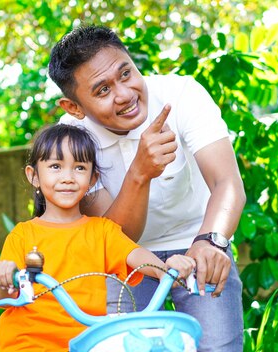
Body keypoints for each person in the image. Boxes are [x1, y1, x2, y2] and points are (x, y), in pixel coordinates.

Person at [48, 25, 246, 351]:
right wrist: (139, 173)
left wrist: (212, 241)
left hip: (199, 242)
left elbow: (228, 184)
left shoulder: (182, 94)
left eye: (126, 73)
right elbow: (112, 235)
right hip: (123, 259)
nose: (124, 94)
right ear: (74, 107)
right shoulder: (71, 136)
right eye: (102, 90)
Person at [0, 124, 195, 351]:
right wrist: (5, 276)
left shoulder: (103, 232)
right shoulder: (23, 234)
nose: (68, 177)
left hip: (85, 343)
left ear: (93, 177)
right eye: (56, 166)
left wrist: (169, 268)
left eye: (79, 168)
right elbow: (2, 296)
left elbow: (141, 258)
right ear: (34, 176)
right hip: (28, 343)